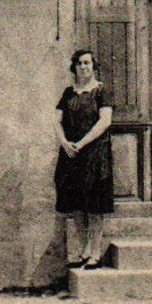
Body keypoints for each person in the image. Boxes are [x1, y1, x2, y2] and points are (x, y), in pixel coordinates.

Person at [54, 49, 114, 270]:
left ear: (93, 66)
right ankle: (85, 250)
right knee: (77, 206)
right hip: (72, 155)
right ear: (74, 67)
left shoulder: (101, 91)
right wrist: (64, 142)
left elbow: (105, 121)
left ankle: (96, 253)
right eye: (79, 63)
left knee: (95, 207)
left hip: (95, 154)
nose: (83, 67)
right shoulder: (68, 93)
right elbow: (56, 121)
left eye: (87, 63)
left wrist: (81, 143)